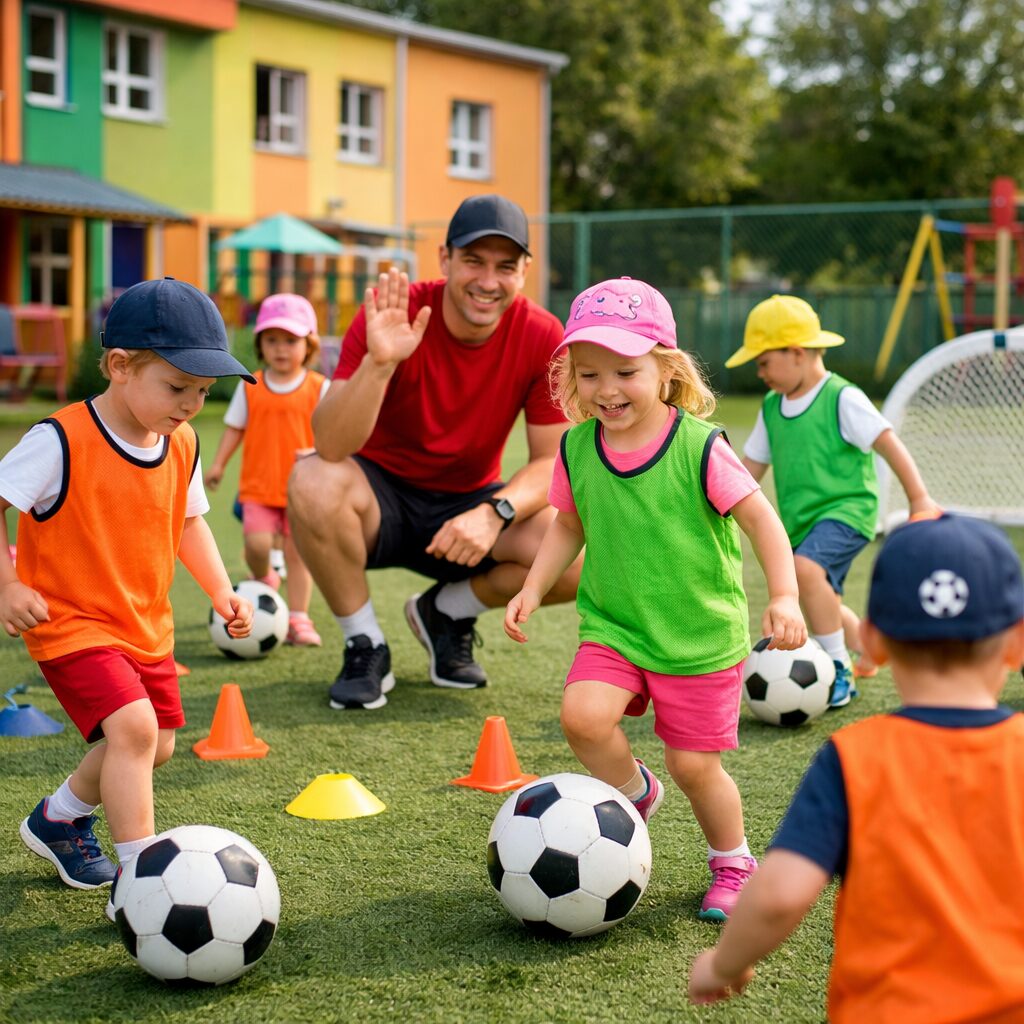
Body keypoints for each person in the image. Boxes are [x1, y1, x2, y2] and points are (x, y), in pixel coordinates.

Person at [503, 277, 807, 921]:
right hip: (615, 626)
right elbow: (568, 521)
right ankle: (635, 794)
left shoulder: (699, 447)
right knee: (583, 719)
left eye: (625, 371)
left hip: (696, 638)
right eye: (588, 374)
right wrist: (533, 585)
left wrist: (784, 594)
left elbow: (762, 521)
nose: (606, 389)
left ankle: (732, 861)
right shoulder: (577, 447)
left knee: (695, 768)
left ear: (666, 371)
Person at [688, 513, 1024, 1021]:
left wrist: (724, 964)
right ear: (1018, 643)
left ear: (874, 642)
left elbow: (780, 894)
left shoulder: (854, 756)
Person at [2, 278, 254, 912]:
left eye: (204, 391)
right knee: (135, 730)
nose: (193, 404)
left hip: (146, 625)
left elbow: (190, 521)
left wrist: (223, 592)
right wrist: (7, 583)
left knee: (155, 744)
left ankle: (59, 819)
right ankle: (140, 879)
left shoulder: (183, 443)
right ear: (120, 366)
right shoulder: (59, 439)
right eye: (178, 387)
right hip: (72, 624)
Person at [288, 194, 578, 710]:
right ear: (444, 259)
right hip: (379, 497)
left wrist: (495, 513)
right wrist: (380, 364)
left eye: (505, 266)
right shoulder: (393, 313)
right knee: (311, 479)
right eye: (473, 261)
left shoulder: (542, 333)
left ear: (525, 271)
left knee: (576, 547)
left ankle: (445, 612)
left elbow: (553, 461)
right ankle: (365, 643)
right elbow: (330, 444)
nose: (488, 281)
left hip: (471, 505)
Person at [725, 294, 937, 707]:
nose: (759, 371)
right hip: (801, 521)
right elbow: (750, 465)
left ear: (797, 353)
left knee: (804, 571)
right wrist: (717, 503)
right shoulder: (772, 407)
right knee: (816, 590)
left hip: (848, 511)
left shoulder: (841, 396)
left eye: (764, 361)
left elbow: (888, 444)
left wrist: (919, 499)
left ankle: (838, 669)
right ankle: (870, 649)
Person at [205, 293, 329, 646]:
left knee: (298, 556)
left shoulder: (320, 388)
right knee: (256, 545)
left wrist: (321, 453)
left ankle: (300, 618)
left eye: (291, 340)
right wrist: (218, 465)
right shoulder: (252, 385)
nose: (281, 349)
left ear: (309, 344)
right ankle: (266, 579)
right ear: (260, 344)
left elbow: (334, 434)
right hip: (258, 489)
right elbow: (235, 428)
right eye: (272, 340)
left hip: (302, 492)